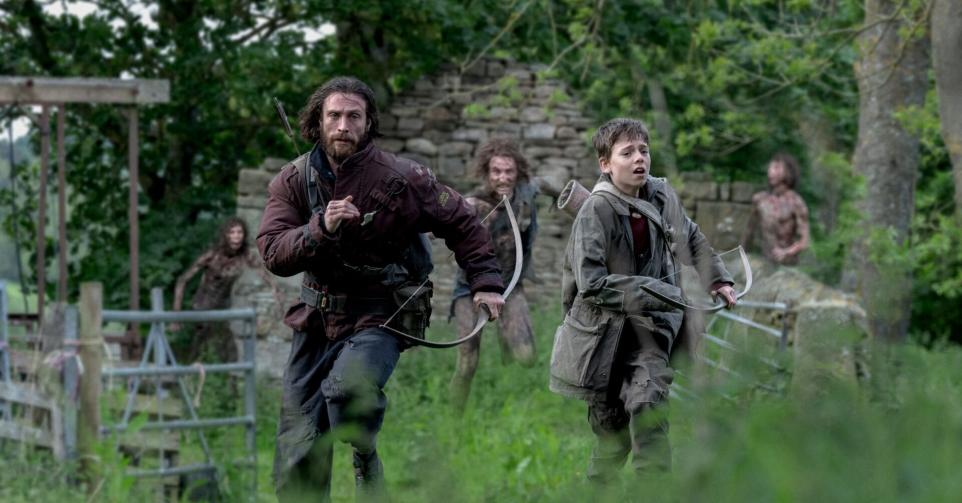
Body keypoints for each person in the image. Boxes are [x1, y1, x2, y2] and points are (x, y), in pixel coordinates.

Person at [256, 76, 505, 502]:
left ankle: (365, 456)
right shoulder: (294, 180)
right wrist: (320, 227)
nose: (343, 126)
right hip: (315, 321)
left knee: (347, 389)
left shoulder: (404, 178)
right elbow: (274, 252)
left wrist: (485, 283)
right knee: (296, 454)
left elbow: (463, 222)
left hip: (380, 316)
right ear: (318, 121)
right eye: (334, 116)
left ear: (368, 122)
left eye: (354, 116)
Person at [549, 118, 736, 482]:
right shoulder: (595, 210)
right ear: (606, 163)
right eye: (627, 152)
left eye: (644, 150)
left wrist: (718, 279)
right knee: (612, 438)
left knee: (650, 405)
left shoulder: (661, 195)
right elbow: (591, 284)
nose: (639, 159)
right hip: (602, 336)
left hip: (651, 330)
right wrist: (660, 292)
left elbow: (690, 238)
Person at [448, 138, 538, 411]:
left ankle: (507, 399)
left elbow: (550, 186)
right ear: (486, 172)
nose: (503, 177)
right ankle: (453, 419)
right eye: (496, 171)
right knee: (467, 363)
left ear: (518, 172)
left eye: (509, 171)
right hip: (470, 290)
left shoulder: (525, 196)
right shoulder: (472, 204)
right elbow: (442, 223)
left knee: (526, 356)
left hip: (510, 286)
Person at [172, 217, 282, 363]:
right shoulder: (213, 255)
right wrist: (176, 313)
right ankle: (192, 370)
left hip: (223, 307)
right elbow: (182, 280)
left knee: (228, 351)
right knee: (201, 346)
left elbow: (266, 276)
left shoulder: (245, 256)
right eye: (232, 232)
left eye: (239, 232)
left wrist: (276, 292)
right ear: (225, 235)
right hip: (203, 306)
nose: (236, 236)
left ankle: (228, 375)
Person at [741, 153, 810, 265]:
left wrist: (786, 252)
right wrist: (742, 257)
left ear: (788, 172)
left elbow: (804, 241)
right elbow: (748, 233)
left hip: (788, 265)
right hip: (765, 263)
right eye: (770, 168)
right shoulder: (760, 200)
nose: (771, 172)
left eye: (776, 168)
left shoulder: (796, 202)